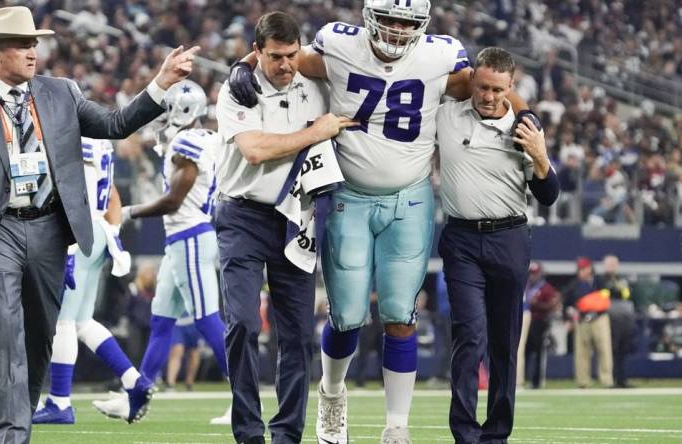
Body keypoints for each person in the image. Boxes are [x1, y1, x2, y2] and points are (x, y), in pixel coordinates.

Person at [227, 3, 536, 442]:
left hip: (409, 197)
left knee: (399, 313)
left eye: (406, 21)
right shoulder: (339, 45)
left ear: (421, 24)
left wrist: (524, 114)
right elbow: (288, 56)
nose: (396, 29)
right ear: (370, 16)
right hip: (348, 196)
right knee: (347, 315)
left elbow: (487, 83)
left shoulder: (437, 56)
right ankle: (333, 395)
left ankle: (397, 426)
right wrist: (244, 63)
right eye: (390, 19)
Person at [0, 6, 199, 443]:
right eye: (23, 43)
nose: (34, 51)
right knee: (6, 329)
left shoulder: (61, 92)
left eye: (35, 42)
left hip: (51, 229)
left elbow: (115, 124)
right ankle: (13, 435)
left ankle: (20, 418)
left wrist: (160, 83)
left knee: (38, 340)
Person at [216, 11, 355, 444]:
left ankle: (287, 435)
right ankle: (248, 434)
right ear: (257, 52)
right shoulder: (237, 88)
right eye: (275, 56)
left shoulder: (316, 85)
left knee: (296, 335)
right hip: (242, 215)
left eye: (292, 55)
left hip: (297, 215)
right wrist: (315, 132)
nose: (285, 65)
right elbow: (255, 151)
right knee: (241, 322)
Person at [436, 47, 559, 444]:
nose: (488, 96)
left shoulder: (525, 130)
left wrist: (540, 156)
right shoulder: (447, 115)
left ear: (511, 87)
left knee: (505, 341)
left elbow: (549, 194)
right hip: (461, 240)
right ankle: (465, 435)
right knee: (469, 335)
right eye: (483, 86)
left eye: (497, 89)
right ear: (472, 80)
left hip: (509, 237)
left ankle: (497, 435)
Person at [92, 79, 230, 424]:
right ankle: (138, 394)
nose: (162, 118)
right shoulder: (202, 137)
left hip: (192, 235)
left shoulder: (187, 143)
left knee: (207, 317)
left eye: (167, 110)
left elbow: (173, 201)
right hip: (180, 240)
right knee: (161, 320)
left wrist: (129, 212)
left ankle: (245, 395)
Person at [31, 136, 153, 425]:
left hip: (80, 232)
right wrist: (112, 235)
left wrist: (70, 245)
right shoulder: (98, 142)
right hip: (98, 230)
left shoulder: (75, 139)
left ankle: (60, 402)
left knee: (62, 322)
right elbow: (111, 195)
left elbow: (72, 194)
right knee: (82, 322)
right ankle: (134, 381)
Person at [564, 257, 614, 388]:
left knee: (604, 349)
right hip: (582, 321)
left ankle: (606, 379)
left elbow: (606, 299)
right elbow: (567, 304)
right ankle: (583, 381)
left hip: (599, 319)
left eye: (584, 268)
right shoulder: (574, 285)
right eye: (580, 269)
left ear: (590, 268)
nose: (582, 271)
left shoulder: (600, 281)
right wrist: (569, 317)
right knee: (582, 352)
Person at [524, 261, 560, 389]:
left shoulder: (546, 288)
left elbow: (553, 305)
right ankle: (522, 379)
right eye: (531, 274)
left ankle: (537, 381)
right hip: (525, 321)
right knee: (524, 351)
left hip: (539, 321)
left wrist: (537, 304)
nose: (533, 276)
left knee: (539, 352)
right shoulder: (526, 286)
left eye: (535, 274)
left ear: (540, 274)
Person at [601, 254, 635, 388]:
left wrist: (621, 289)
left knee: (623, 349)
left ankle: (622, 379)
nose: (612, 267)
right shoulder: (601, 279)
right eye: (609, 264)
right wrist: (612, 289)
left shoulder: (621, 279)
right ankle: (611, 379)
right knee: (611, 349)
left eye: (614, 264)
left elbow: (627, 295)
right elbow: (603, 295)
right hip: (609, 317)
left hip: (624, 317)